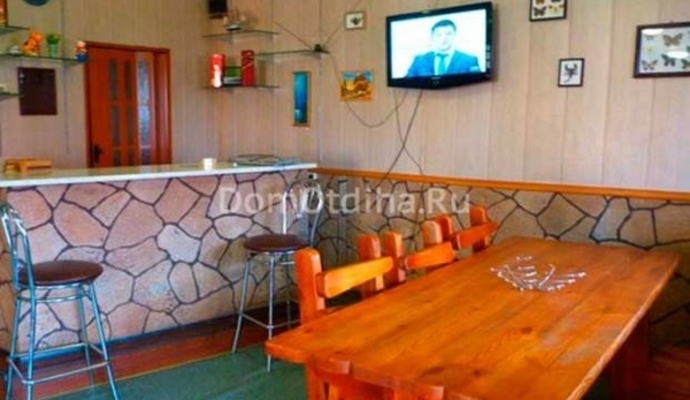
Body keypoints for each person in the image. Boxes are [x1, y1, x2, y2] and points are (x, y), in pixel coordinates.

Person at [406, 19, 480, 77]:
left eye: (448, 34)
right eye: (439, 35)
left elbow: (477, 85)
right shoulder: (420, 60)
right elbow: (407, 82)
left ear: (454, 35)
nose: (444, 38)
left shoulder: (470, 60)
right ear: (432, 37)